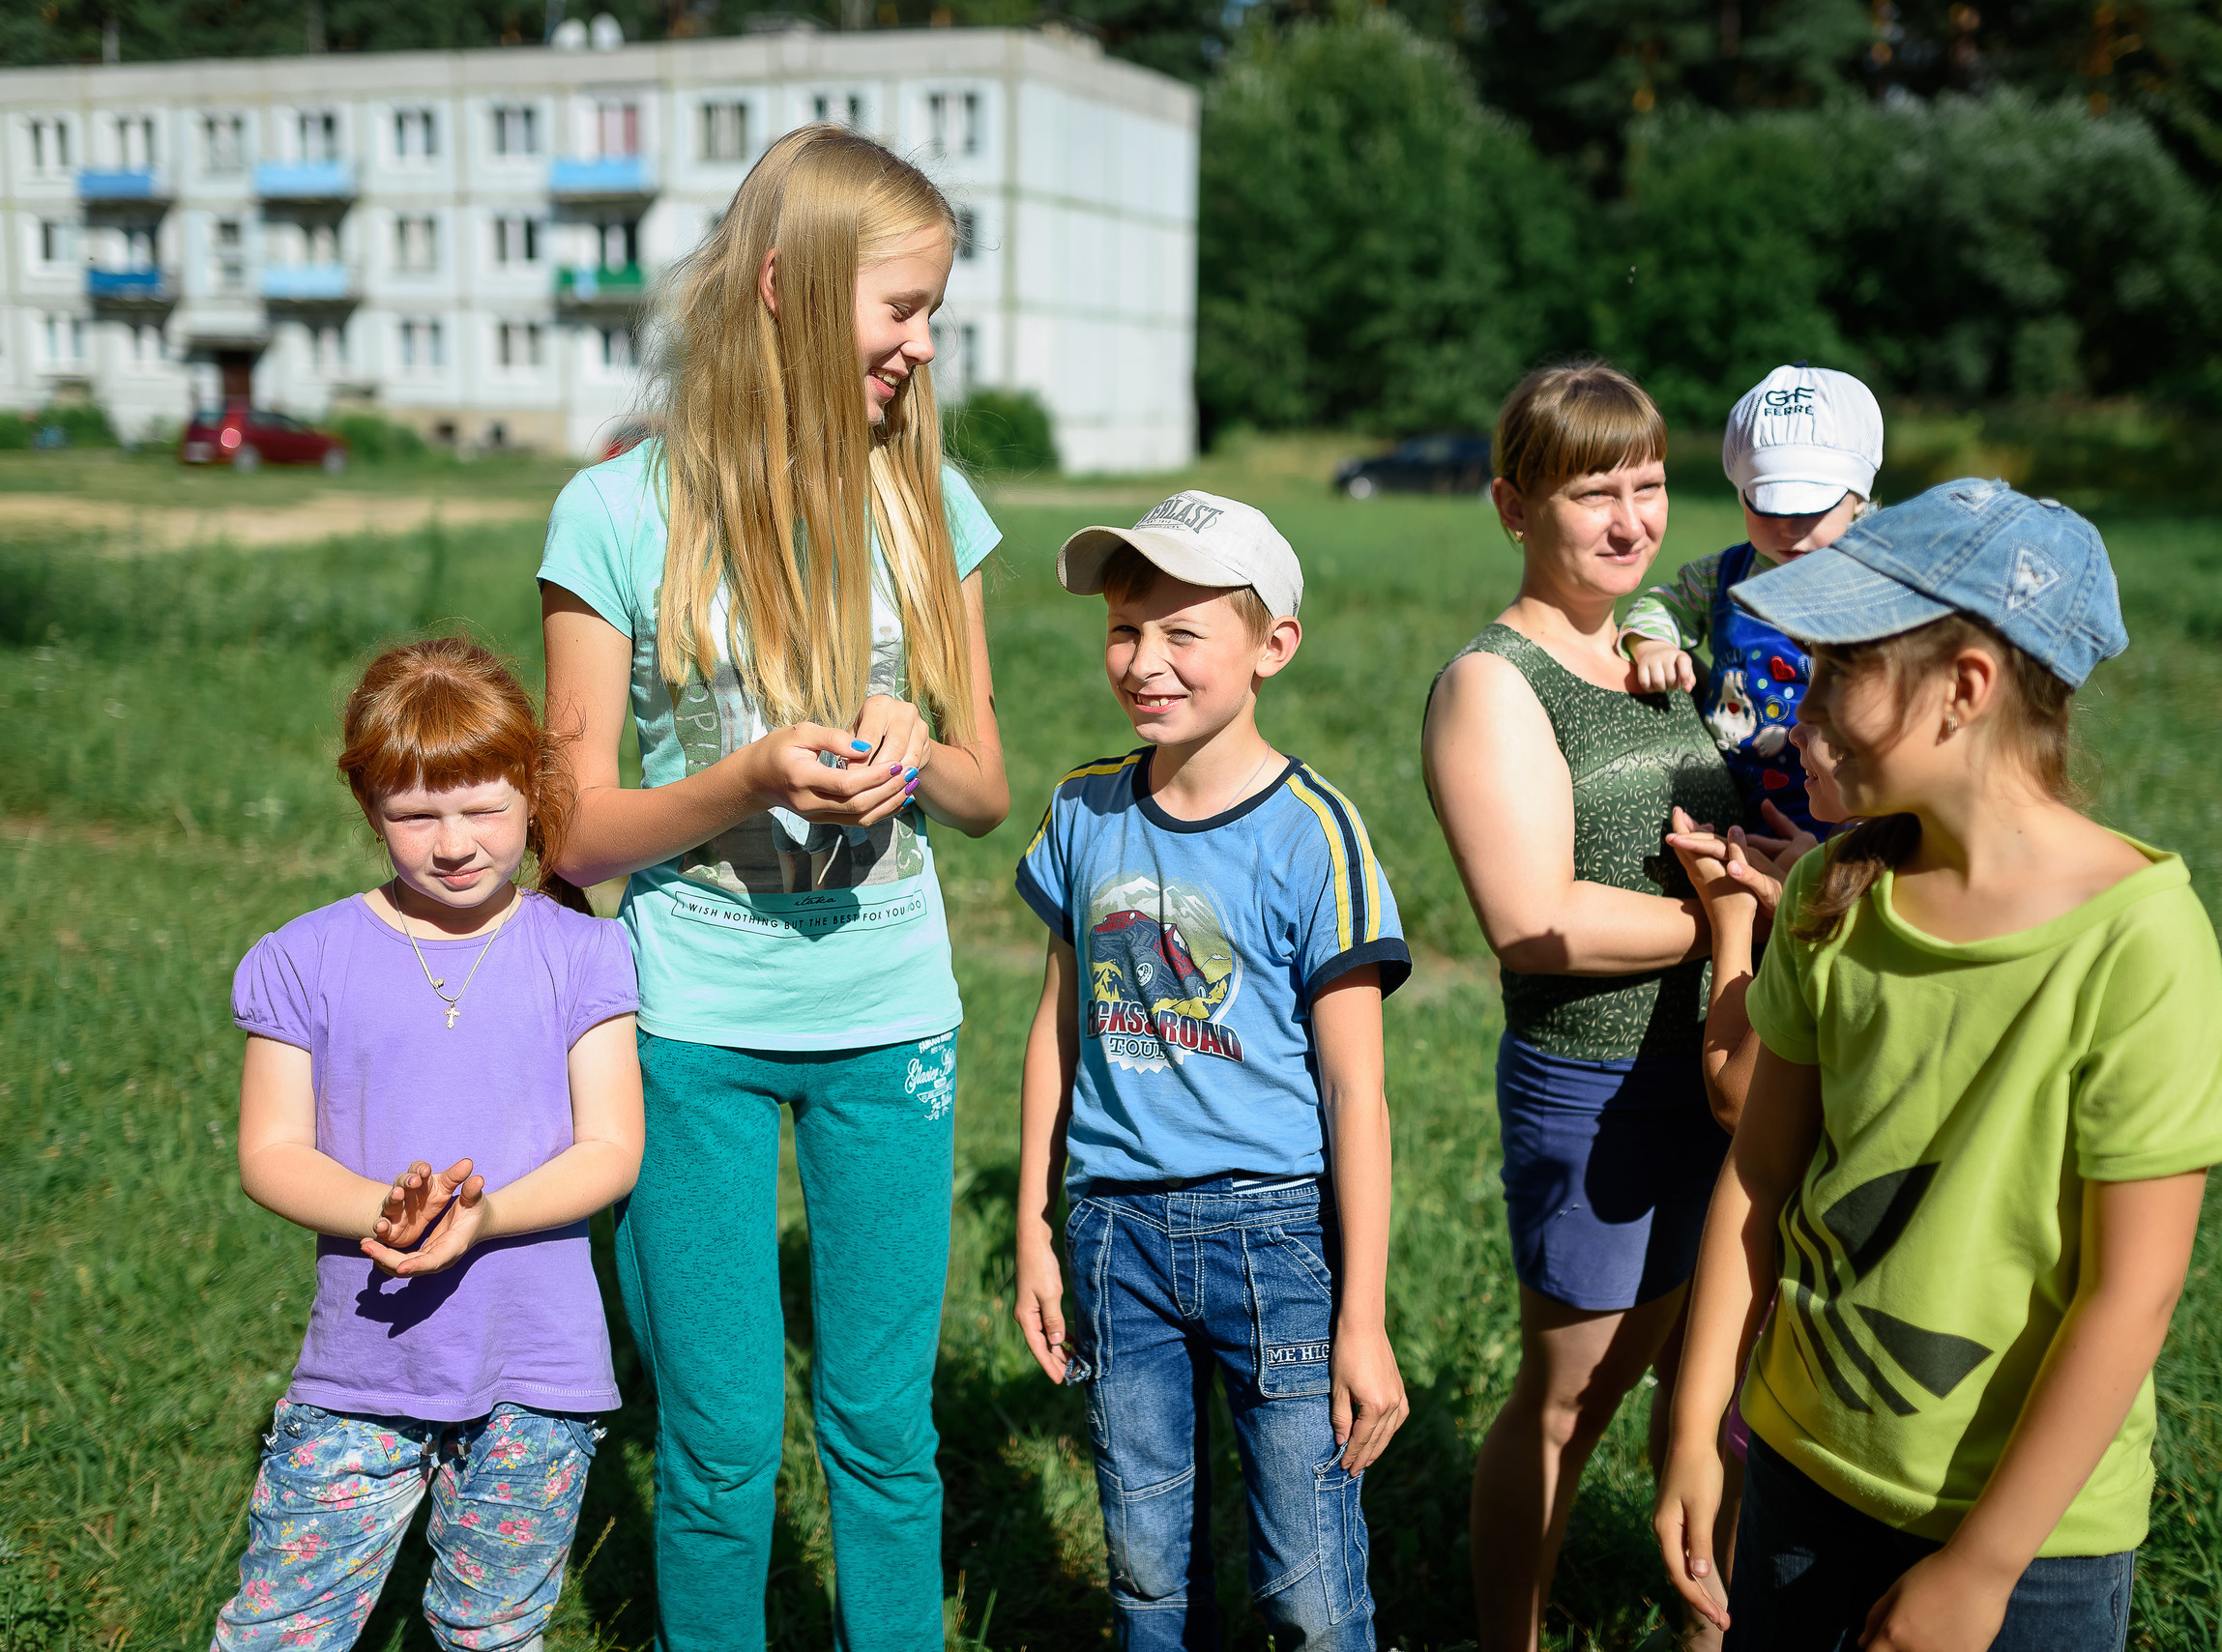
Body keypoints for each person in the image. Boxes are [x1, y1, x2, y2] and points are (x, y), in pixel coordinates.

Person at [536, 125, 1010, 1650]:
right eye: (901, 309)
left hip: (891, 1021)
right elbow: (573, 834)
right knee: (724, 1445)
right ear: (783, 291)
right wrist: (741, 780)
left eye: (933, 311)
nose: (922, 346)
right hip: (690, 1026)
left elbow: (989, 790)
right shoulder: (612, 513)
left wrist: (912, 743)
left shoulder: (930, 501)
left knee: (885, 1434)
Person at [1652, 480, 2222, 1652]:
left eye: (1834, 674)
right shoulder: (1830, 891)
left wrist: (1980, 1566)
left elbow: (2130, 1293)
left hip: (2025, 1543)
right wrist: (1694, 1421)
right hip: (1800, 1475)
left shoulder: (2139, 940)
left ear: (1964, 689)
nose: (1795, 713)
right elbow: (1758, 1180)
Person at [1009, 491, 1413, 1650]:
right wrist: (1038, 1226)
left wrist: (1363, 1317)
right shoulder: (1083, 808)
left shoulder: (1315, 834)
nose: (1146, 661)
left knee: (1307, 1584)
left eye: (1185, 632)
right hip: (1111, 1233)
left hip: (1276, 1238)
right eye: (1127, 628)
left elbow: (1358, 1095)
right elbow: (1055, 1025)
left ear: (1271, 646)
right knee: (1142, 1569)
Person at [213, 637, 644, 1652]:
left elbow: (610, 1146)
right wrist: (385, 1210)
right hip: (362, 1366)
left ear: (534, 795)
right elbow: (270, 1149)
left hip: (538, 1372)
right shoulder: (300, 957)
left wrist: (480, 1216)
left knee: (491, 1631)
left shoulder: (585, 953)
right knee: (283, 1625)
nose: (453, 841)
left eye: (483, 807)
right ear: (369, 808)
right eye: (414, 813)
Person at [1420, 362, 1752, 1652]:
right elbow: (1531, 917)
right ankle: (1510, 1634)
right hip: (1598, 1090)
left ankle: (1709, 1630)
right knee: (1568, 1402)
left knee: (1718, 1396)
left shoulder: (1658, 654)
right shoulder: (1494, 682)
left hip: (1735, 1067)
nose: (1630, 519)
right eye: (1593, 492)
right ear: (1514, 503)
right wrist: (1732, 924)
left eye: (1650, 486)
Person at [1620, 362, 1886, 839]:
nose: (1788, 527)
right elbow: (1664, 604)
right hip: (1743, 807)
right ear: (1741, 493)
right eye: (1770, 505)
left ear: (1859, 499)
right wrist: (1652, 645)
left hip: (1859, 816)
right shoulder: (1723, 577)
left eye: (1811, 507)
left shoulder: (1884, 582)